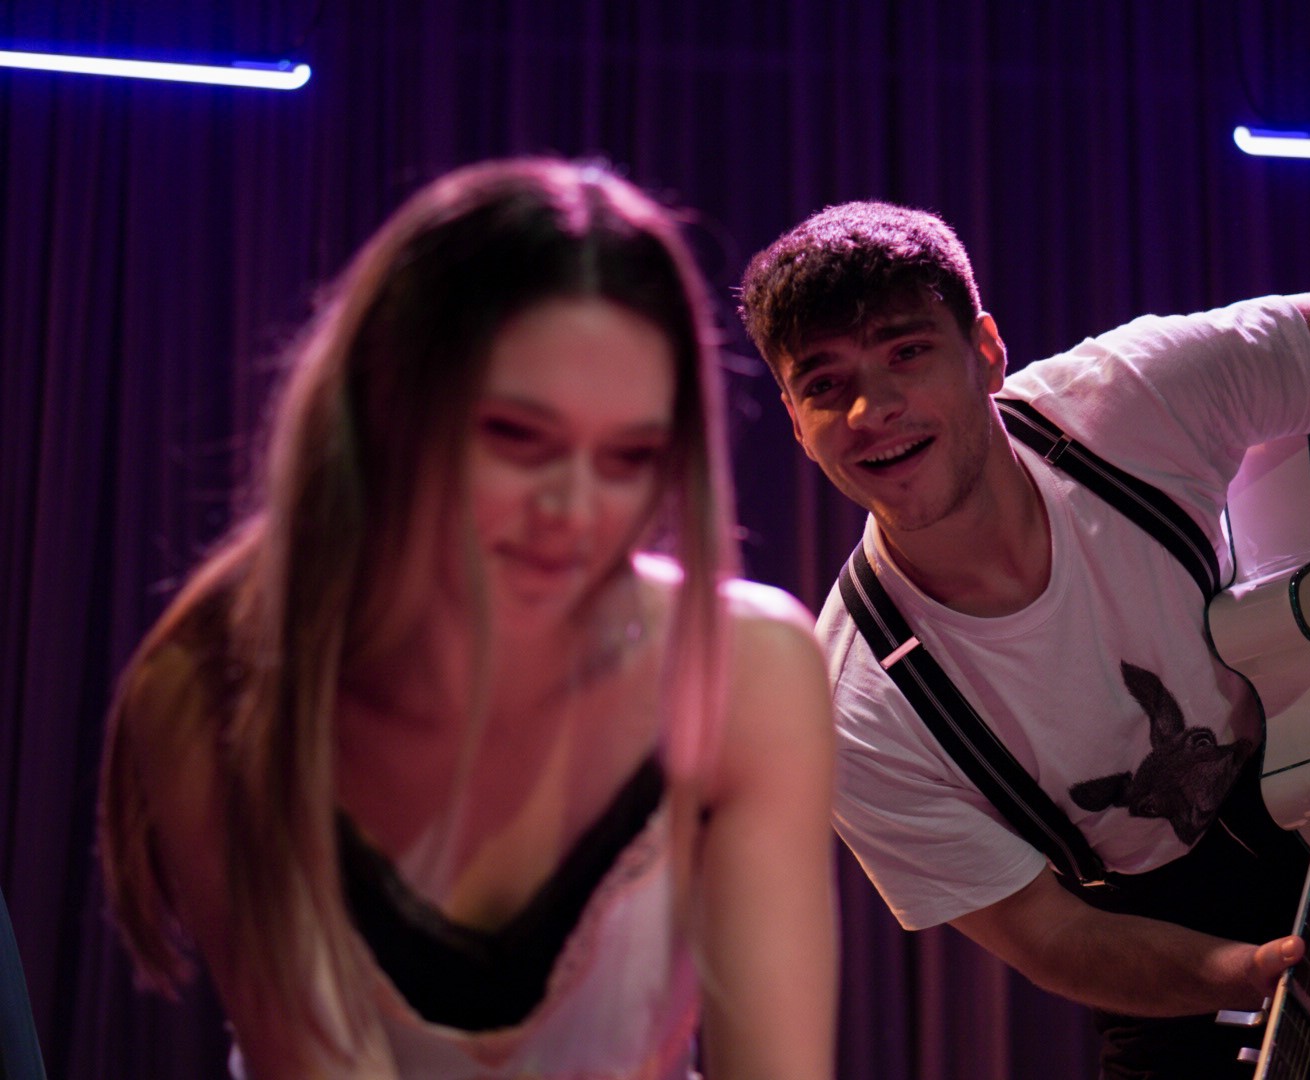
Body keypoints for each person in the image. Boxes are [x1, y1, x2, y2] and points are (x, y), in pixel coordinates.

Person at [737, 201, 1310, 1078]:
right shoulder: (853, 706)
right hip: (1173, 953)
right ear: (793, 419)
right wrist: (1253, 975)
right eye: (825, 385)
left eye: (907, 353)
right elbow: (1050, 935)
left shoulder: (1125, 400)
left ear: (986, 351)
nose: (873, 408)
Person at [98, 159, 838, 1080]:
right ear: (384, 407)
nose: (573, 511)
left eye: (629, 458)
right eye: (515, 438)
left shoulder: (744, 669)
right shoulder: (214, 691)